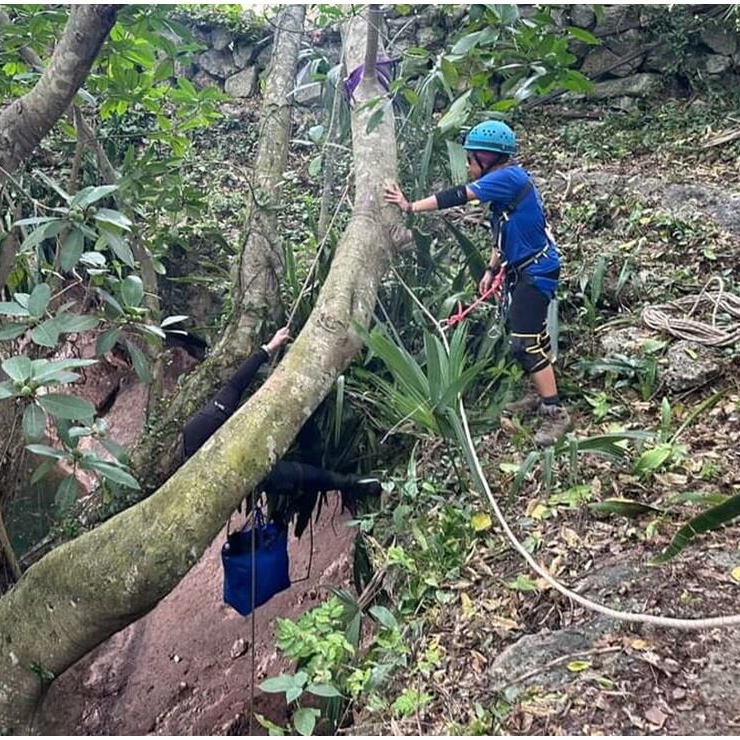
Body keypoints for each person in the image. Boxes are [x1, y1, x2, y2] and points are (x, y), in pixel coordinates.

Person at [383, 119, 570, 446]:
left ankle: (555, 413)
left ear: (487, 157)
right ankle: (541, 392)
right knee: (532, 337)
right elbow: (504, 232)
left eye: (470, 159)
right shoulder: (504, 188)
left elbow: (458, 196)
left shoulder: (506, 178)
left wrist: (410, 206)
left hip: (535, 272)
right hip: (524, 269)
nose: (467, 166)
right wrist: (490, 268)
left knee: (524, 344)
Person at [182, 327, 382, 506]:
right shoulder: (200, 448)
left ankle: (323, 461)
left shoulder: (207, 420)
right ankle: (358, 484)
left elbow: (235, 385)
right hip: (249, 472)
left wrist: (269, 348)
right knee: (304, 478)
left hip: (256, 437)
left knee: (299, 420)